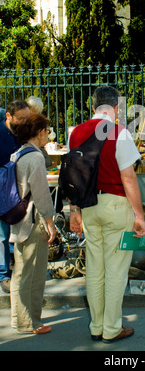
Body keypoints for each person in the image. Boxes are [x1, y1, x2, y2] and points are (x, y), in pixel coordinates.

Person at [69, 85, 145, 343]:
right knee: (115, 270)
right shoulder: (119, 133)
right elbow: (129, 177)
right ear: (116, 109)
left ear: (93, 107)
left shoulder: (76, 133)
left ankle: (96, 325)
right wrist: (140, 216)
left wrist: (74, 210)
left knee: (94, 268)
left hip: (88, 205)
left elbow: (74, 176)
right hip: (115, 204)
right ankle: (112, 328)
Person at [10, 113, 56, 334]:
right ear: (39, 132)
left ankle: (17, 318)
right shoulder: (36, 158)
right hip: (33, 219)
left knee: (20, 271)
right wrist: (50, 222)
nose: (48, 134)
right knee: (34, 272)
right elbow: (41, 195)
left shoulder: (17, 154)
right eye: (47, 130)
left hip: (18, 219)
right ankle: (30, 322)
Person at [0, 100, 31, 293]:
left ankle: (19, 269)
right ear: (8, 116)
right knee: (2, 233)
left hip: (19, 190)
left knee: (19, 230)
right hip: (3, 190)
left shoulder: (21, 131)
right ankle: (4, 274)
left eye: (26, 118)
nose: (24, 122)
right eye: (20, 118)